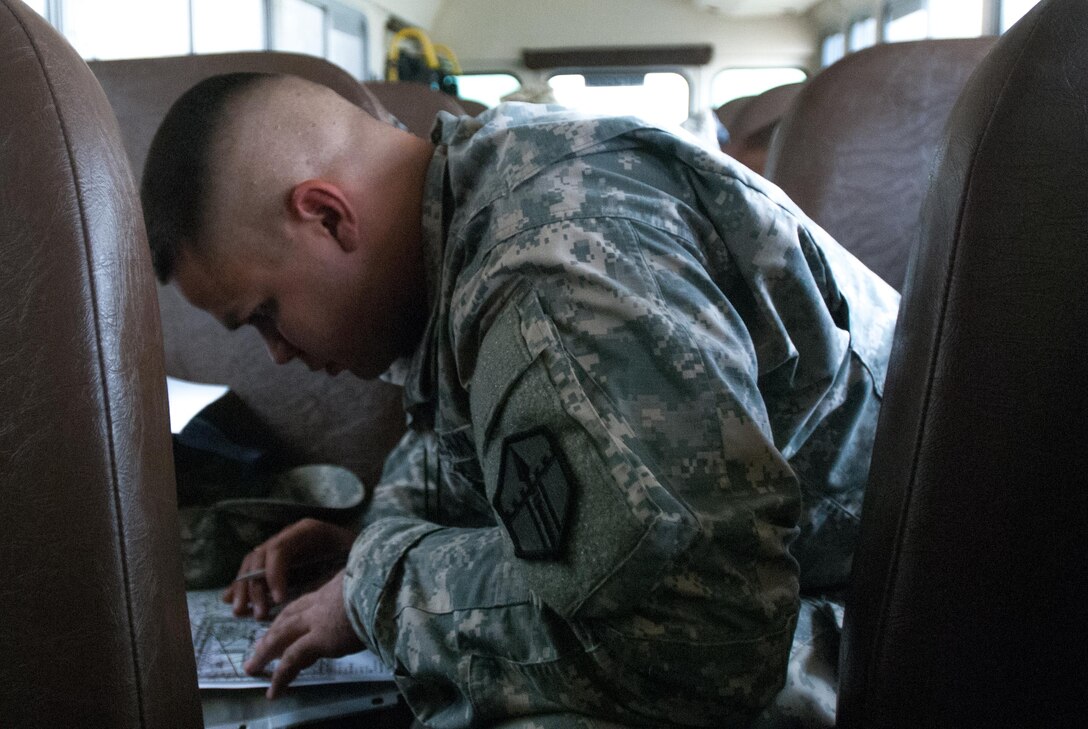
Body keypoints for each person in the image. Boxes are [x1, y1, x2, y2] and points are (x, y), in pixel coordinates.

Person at [141, 72, 899, 728]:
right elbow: (486, 458)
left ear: (328, 215)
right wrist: (366, 544)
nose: (277, 351)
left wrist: (379, 588)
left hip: (875, 620)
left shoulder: (549, 273)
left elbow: (696, 639)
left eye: (266, 313)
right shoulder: (469, 209)